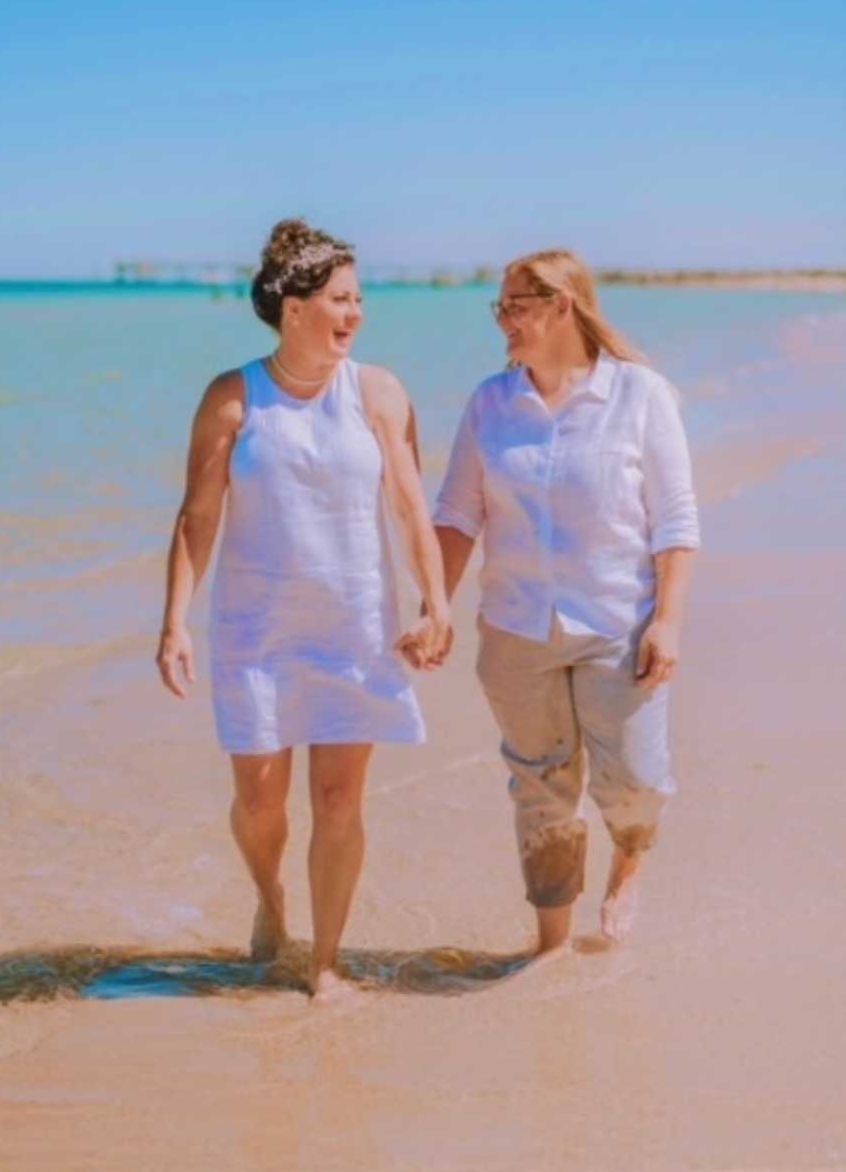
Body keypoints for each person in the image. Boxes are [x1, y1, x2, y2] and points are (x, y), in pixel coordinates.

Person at [157, 219, 451, 1002]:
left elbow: (412, 508)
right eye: (339, 300)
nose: (354, 315)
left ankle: (325, 964)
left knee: (338, 799)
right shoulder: (233, 398)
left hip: (355, 624)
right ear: (292, 307)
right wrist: (175, 621)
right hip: (257, 631)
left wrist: (436, 602)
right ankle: (270, 898)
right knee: (260, 801)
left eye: (359, 300)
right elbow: (197, 518)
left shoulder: (379, 393)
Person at [433, 249, 699, 952]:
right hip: (516, 629)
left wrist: (667, 622)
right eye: (500, 308)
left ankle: (628, 864)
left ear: (561, 307)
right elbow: (457, 514)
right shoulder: (490, 403)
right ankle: (548, 943)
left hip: (619, 623)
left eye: (515, 306)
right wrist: (434, 606)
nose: (504, 322)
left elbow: (675, 520)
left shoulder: (639, 395)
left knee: (635, 782)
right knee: (540, 788)